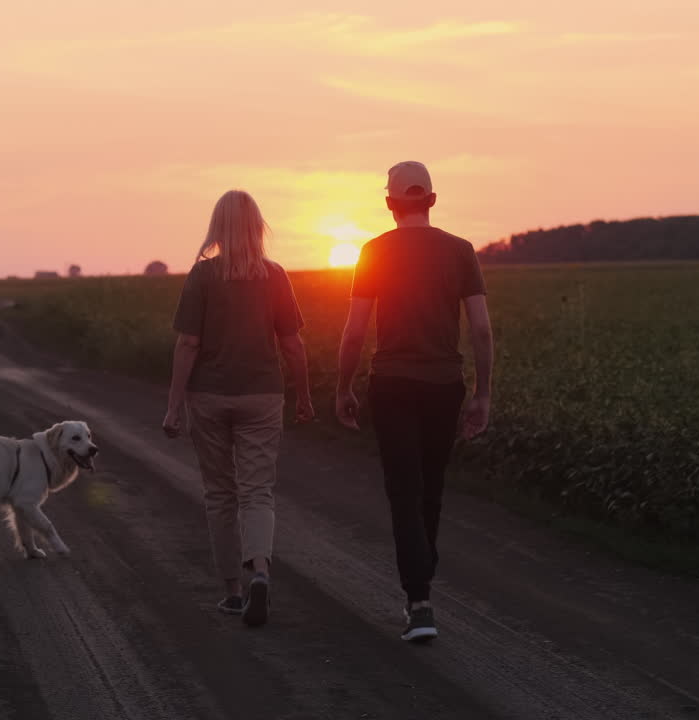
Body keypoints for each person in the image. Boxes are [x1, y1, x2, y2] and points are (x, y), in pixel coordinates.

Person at [334, 161, 494, 643]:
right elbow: (482, 329)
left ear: (389, 204)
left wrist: (343, 387)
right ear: (432, 200)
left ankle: (418, 601)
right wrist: (483, 393)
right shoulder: (461, 251)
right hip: (445, 385)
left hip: (393, 384)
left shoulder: (373, 252)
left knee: (404, 490)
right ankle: (422, 582)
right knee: (431, 487)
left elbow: (355, 330)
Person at [163, 189, 313, 628]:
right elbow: (293, 344)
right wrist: (304, 395)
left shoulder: (202, 276)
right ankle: (260, 572)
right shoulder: (276, 276)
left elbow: (188, 343)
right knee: (257, 491)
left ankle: (232, 591)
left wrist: (173, 406)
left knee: (220, 494)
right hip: (263, 395)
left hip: (208, 397)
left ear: (217, 228)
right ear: (256, 227)